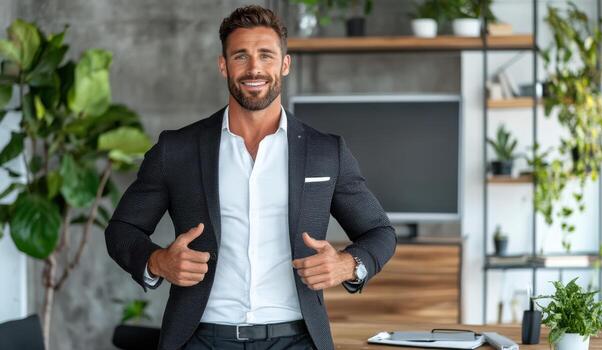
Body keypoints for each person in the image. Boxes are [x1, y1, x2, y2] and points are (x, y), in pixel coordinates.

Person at [105, 5, 396, 350]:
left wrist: (348, 264)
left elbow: (379, 232)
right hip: (201, 339)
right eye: (241, 56)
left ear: (284, 65)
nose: (254, 68)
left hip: (297, 340)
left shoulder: (325, 152)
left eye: (266, 56)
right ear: (223, 65)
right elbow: (122, 231)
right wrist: (158, 262)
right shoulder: (177, 150)